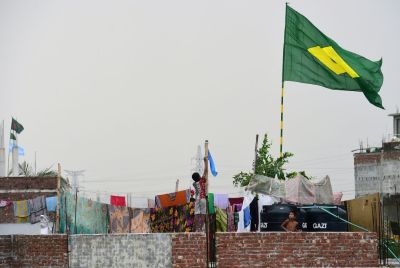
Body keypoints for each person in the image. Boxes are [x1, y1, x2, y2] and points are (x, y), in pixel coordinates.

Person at [192, 156, 208, 231]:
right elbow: (205, 171)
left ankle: (194, 229)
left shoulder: (194, 184)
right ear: (199, 176)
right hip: (202, 198)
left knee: (196, 214)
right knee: (203, 214)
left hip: (197, 199)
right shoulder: (202, 181)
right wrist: (205, 162)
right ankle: (201, 228)